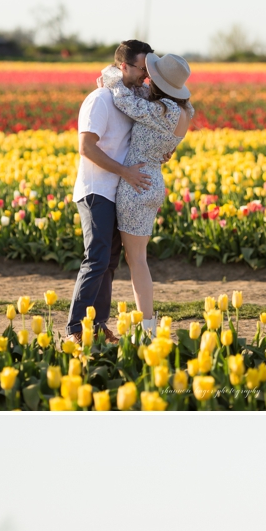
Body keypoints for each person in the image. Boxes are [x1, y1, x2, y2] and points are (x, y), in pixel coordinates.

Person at [100, 52, 195, 333]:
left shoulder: (158, 110)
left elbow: (121, 97)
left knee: (137, 261)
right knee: (137, 258)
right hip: (153, 180)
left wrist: (112, 73)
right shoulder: (185, 111)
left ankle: (147, 328)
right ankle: (147, 326)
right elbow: (168, 147)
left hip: (135, 183)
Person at [67, 40, 154, 341]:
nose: (146, 75)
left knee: (109, 260)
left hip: (117, 190)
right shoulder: (100, 99)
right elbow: (86, 147)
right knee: (97, 257)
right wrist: (126, 173)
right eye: (142, 68)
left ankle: (97, 324)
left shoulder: (127, 100)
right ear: (123, 66)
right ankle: (75, 329)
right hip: (96, 190)